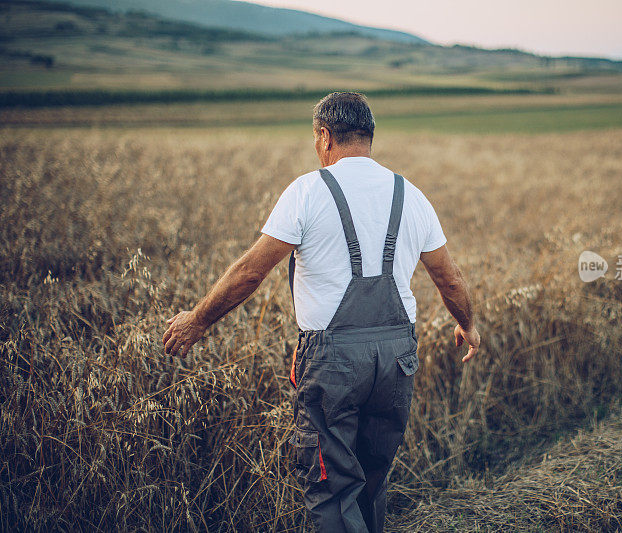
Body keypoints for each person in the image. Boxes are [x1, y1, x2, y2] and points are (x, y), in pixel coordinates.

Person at [162, 92, 480, 532]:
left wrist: (197, 320)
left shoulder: (308, 191)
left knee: (332, 486)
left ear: (325, 137)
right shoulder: (412, 196)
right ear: (369, 136)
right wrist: (467, 324)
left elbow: (250, 272)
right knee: (372, 476)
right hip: (397, 357)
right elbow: (450, 278)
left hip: (334, 362)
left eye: (316, 138)